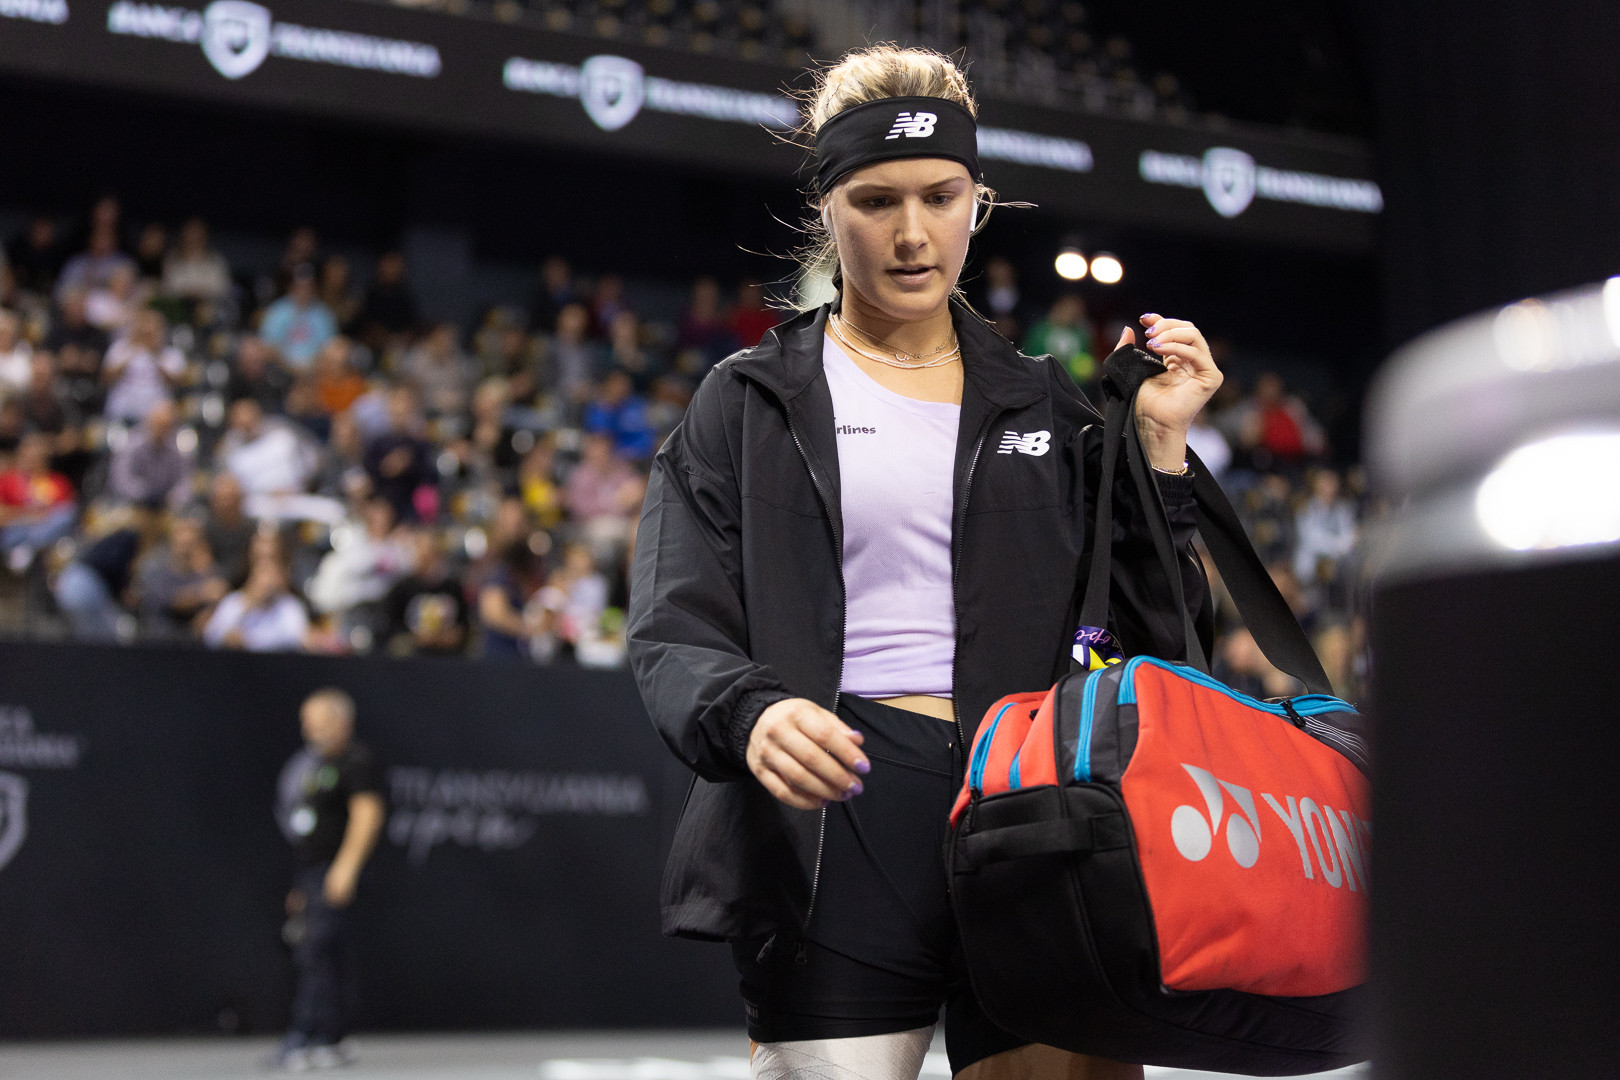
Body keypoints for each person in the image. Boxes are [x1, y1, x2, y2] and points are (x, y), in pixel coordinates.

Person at [625, 46, 1220, 1080]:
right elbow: (674, 624)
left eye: (941, 197)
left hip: (1033, 809)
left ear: (975, 202)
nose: (912, 234)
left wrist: (1160, 455)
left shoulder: (1048, 402)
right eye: (877, 200)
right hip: (841, 811)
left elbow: (1155, 641)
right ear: (827, 206)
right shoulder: (749, 401)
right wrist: (753, 713)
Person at [272, 688, 385, 1071]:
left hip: (334, 871)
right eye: (307, 724)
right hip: (312, 873)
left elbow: (367, 815)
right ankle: (330, 1037)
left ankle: (309, 1034)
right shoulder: (315, 767)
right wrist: (301, 885)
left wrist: (346, 868)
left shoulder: (357, 762)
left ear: (341, 722)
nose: (311, 731)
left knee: (317, 952)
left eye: (319, 723)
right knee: (325, 953)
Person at [260, 263, 338, 372]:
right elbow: (267, 346)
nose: (304, 290)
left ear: (315, 288)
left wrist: (309, 368)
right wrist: (290, 368)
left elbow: (330, 346)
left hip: (317, 370)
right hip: (281, 369)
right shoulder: (277, 311)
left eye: (308, 286)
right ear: (291, 286)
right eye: (300, 286)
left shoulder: (324, 314)